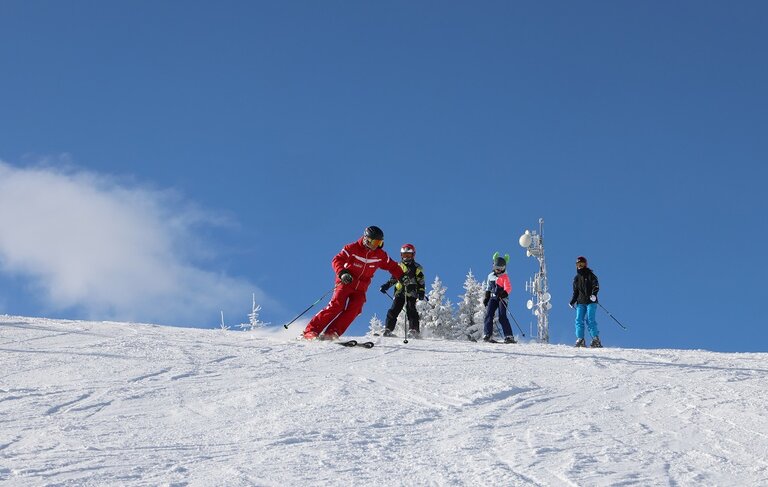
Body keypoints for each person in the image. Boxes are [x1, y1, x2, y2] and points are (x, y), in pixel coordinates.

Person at [302, 226, 404, 340]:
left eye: (380, 242)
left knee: (356, 308)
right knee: (337, 305)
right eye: (375, 242)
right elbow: (337, 259)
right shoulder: (352, 248)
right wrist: (342, 273)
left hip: (361, 288)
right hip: (346, 282)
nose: (377, 245)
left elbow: (393, 267)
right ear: (367, 239)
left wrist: (403, 277)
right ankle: (311, 331)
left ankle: (332, 332)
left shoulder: (380, 255)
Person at [380, 243, 426, 338]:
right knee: (393, 310)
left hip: (411, 292)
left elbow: (421, 280)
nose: (406, 257)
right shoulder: (398, 266)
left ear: (413, 255)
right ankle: (388, 329)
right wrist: (386, 286)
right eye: (404, 255)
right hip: (399, 292)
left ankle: (414, 330)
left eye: (408, 255)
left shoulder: (417, 267)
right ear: (401, 255)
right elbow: (394, 278)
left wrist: (421, 291)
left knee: (411, 310)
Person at [482, 252, 516, 343]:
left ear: (504, 268)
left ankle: (509, 336)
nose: (499, 271)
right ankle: (487, 334)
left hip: (502, 298)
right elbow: (488, 287)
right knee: (489, 315)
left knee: (502, 316)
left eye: (501, 269)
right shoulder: (490, 276)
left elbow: (508, 288)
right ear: (493, 267)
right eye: (497, 268)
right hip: (493, 298)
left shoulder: (505, 277)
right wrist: (486, 297)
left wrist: (503, 293)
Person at [569, 255, 602, 348]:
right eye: (578, 264)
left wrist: (594, 295)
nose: (580, 266)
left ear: (585, 265)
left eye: (582, 264)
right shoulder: (576, 278)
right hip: (581, 302)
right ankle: (580, 339)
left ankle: (596, 339)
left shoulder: (590, 275)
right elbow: (575, 292)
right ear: (576, 265)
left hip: (591, 301)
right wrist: (572, 301)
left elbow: (596, 286)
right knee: (579, 320)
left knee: (590, 320)